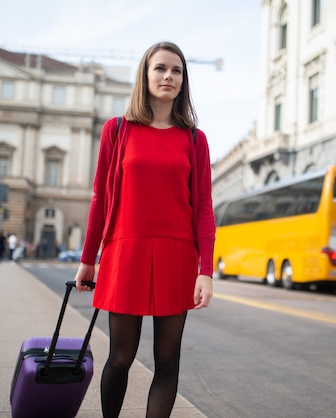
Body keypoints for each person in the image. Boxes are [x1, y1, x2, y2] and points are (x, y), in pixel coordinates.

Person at [73, 41, 216, 417]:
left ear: (184, 81)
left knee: (167, 360)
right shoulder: (117, 131)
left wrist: (206, 271)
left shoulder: (194, 140)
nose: (169, 76)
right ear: (145, 74)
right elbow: (100, 200)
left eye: (177, 71)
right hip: (125, 253)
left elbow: (203, 209)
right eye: (161, 68)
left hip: (177, 256)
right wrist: (88, 260)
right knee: (120, 357)